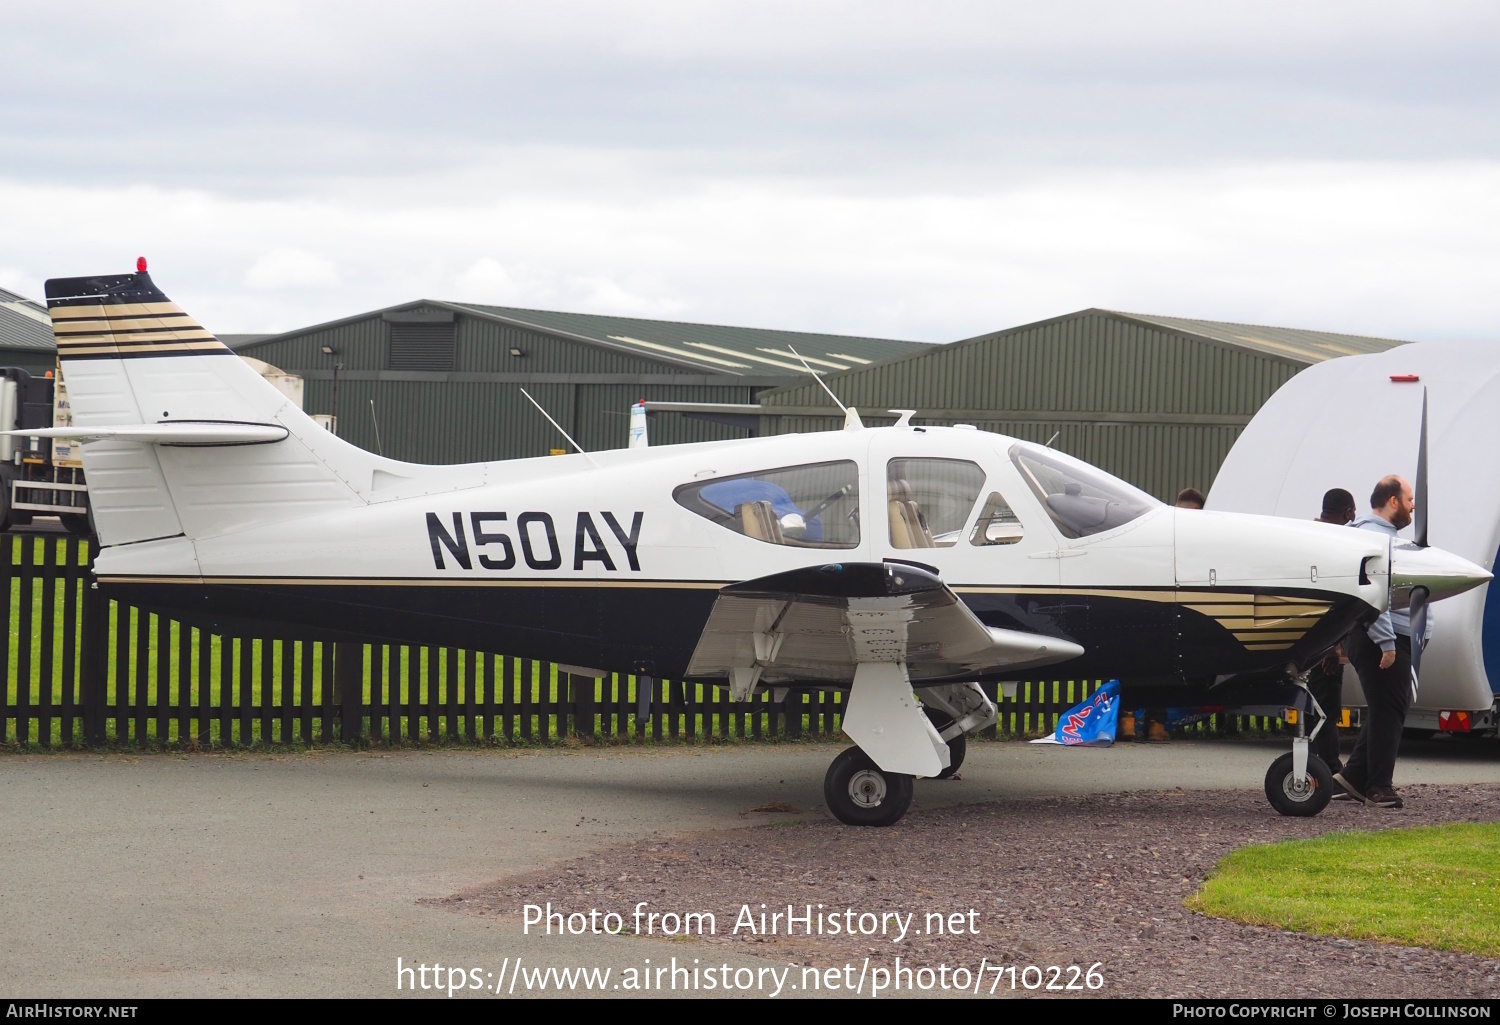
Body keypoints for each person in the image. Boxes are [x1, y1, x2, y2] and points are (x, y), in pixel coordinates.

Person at [1333, 475, 1416, 809]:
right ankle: (1378, 787)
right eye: (1410, 500)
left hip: (1382, 635)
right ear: (1393, 501)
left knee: (1387, 707)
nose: (1414, 507)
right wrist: (1386, 641)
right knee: (1389, 711)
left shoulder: (1379, 535)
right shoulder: (1375, 537)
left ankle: (1353, 778)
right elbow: (1371, 593)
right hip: (1380, 636)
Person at [1307, 488, 1357, 780]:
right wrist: (1334, 646)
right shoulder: (1339, 542)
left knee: (1316, 703)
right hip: (1327, 641)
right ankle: (1327, 765)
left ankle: (1319, 759)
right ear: (1349, 513)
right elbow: (1337, 598)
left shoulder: (1310, 536)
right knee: (1327, 705)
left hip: (1307, 637)